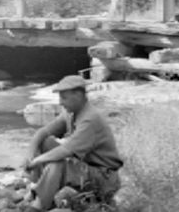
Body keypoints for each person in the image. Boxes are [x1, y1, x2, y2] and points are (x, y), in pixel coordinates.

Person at [22, 75, 122, 211]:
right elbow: (43, 132)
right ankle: (40, 189)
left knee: (58, 164)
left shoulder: (90, 119)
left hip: (104, 178)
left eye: (64, 97)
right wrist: (30, 155)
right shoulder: (71, 112)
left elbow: (65, 151)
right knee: (45, 142)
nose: (60, 102)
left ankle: (40, 205)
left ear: (79, 95)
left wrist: (36, 161)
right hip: (87, 168)